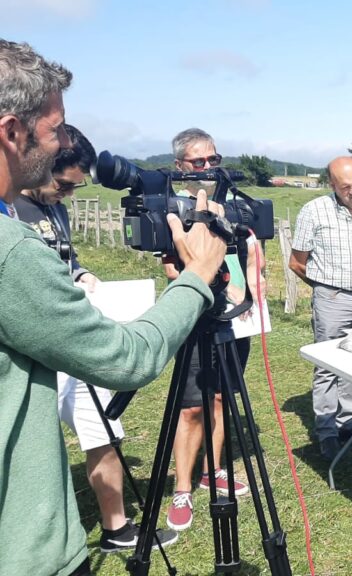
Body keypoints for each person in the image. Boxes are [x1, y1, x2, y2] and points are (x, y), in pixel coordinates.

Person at [0, 39, 227, 576]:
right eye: (55, 130)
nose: (60, 146)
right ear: (12, 131)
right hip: (24, 552)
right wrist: (196, 278)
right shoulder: (11, 250)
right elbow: (125, 360)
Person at [12, 124, 178, 553]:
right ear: (42, 164)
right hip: (32, 344)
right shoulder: (10, 214)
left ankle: (116, 527)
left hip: (71, 335)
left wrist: (82, 275)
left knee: (103, 426)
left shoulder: (54, 209)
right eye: (65, 185)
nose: (67, 196)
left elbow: (67, 257)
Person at [163, 127, 257, 532]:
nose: (206, 168)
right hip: (196, 316)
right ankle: (182, 486)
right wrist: (217, 282)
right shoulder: (171, 208)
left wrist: (255, 278)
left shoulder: (233, 203)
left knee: (220, 399)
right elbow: (171, 268)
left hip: (235, 315)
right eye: (197, 162)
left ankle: (212, 470)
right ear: (180, 165)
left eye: (213, 160)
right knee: (191, 407)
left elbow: (252, 250)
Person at [289, 156, 352, 461]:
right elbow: (296, 262)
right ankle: (327, 432)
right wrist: (325, 290)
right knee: (328, 365)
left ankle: (350, 425)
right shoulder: (314, 211)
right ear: (332, 185)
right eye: (346, 186)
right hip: (332, 299)